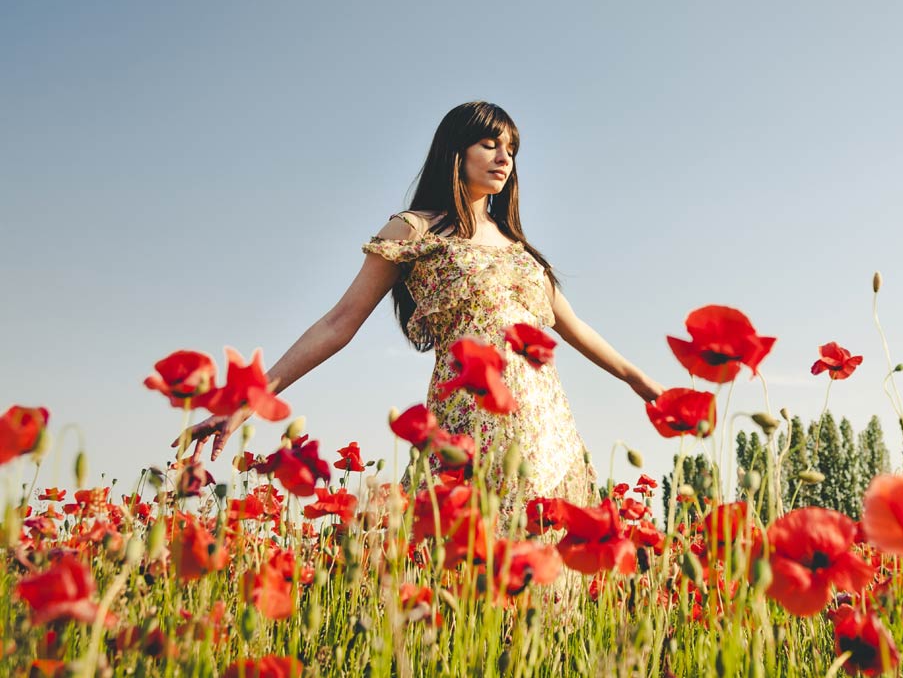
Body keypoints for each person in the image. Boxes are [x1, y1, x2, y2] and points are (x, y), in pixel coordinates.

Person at [181, 100, 664, 515]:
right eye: (490, 144)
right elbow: (337, 323)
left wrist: (641, 382)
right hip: (467, 423)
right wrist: (247, 403)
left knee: (541, 579)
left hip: (544, 425)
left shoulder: (519, 249)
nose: (504, 157)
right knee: (467, 571)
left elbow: (574, 327)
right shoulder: (415, 230)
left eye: (511, 149)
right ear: (456, 151)